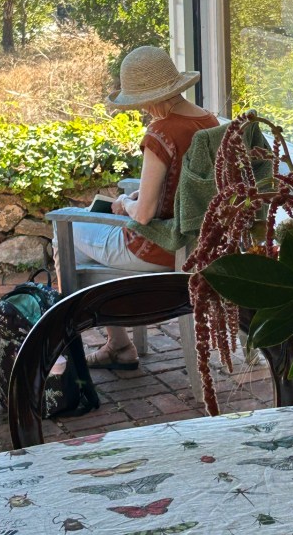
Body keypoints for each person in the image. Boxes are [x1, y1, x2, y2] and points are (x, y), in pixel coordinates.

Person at [59, 45, 218, 370]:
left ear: (152, 97)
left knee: (64, 233)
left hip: (156, 250)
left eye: (142, 102)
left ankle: (102, 345)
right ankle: (118, 344)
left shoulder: (162, 132)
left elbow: (144, 214)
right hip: (198, 247)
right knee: (87, 244)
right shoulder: (209, 122)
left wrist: (124, 202)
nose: (143, 110)